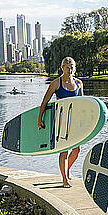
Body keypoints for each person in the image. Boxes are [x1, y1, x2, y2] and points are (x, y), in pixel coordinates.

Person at [37, 56, 84, 188]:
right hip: (61, 121)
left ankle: (67, 170)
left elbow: (82, 104)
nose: (70, 70)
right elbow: (45, 102)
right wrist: (40, 119)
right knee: (64, 151)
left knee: (77, 150)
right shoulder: (56, 83)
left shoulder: (79, 83)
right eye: (67, 67)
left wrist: (84, 121)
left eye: (72, 67)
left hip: (74, 121)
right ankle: (64, 179)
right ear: (62, 68)